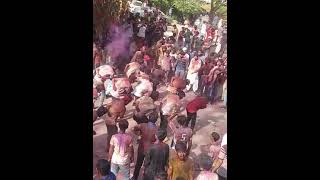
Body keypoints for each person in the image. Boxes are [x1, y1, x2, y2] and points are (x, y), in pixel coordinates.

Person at [131, 112, 158, 180]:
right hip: (150, 150)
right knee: (147, 166)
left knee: (138, 164)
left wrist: (139, 135)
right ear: (156, 120)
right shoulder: (157, 129)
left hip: (142, 148)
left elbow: (133, 129)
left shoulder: (142, 125)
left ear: (149, 118)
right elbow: (157, 140)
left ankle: (135, 177)